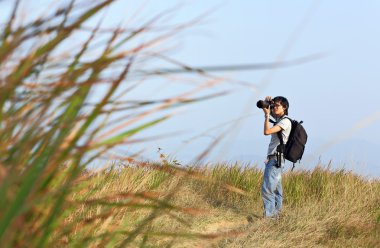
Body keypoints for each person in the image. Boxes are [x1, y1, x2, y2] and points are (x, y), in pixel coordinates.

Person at [261, 96, 291, 218]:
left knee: (267, 189)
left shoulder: (285, 122)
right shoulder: (280, 120)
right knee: (277, 190)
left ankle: (269, 219)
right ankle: (276, 216)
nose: (274, 108)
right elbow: (267, 111)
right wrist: (267, 105)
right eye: (274, 106)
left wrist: (267, 116)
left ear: (285, 107)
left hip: (275, 160)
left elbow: (267, 131)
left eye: (277, 106)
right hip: (275, 159)